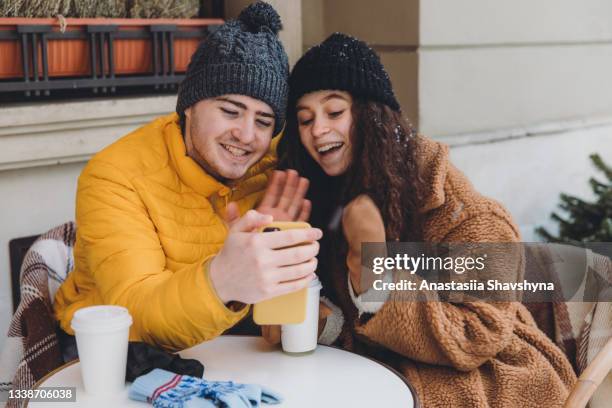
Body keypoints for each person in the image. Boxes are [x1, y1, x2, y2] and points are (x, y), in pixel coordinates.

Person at [269, 32, 577, 407]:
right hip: (371, 380)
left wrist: (376, 278)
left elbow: (477, 335)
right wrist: (315, 317)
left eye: (334, 112)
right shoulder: (324, 200)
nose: (317, 130)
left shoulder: (465, 213)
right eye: (304, 119)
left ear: (373, 116)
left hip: (496, 387)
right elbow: (337, 323)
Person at [53, 2, 322, 352]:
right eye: (230, 111)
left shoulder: (274, 170)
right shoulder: (115, 175)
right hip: (114, 354)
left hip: (234, 352)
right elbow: (134, 309)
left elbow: (372, 284)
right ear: (190, 105)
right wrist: (224, 280)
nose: (245, 134)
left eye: (263, 121)